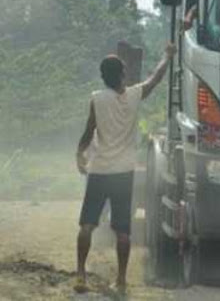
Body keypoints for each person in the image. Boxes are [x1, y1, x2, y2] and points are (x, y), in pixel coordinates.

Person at [74, 43, 177, 295]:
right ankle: (120, 279)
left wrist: (79, 154)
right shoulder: (133, 95)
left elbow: (89, 131)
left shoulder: (97, 98)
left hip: (99, 170)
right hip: (123, 172)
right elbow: (156, 77)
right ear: (122, 74)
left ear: (103, 76)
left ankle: (80, 274)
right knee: (122, 230)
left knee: (87, 225)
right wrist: (167, 55)